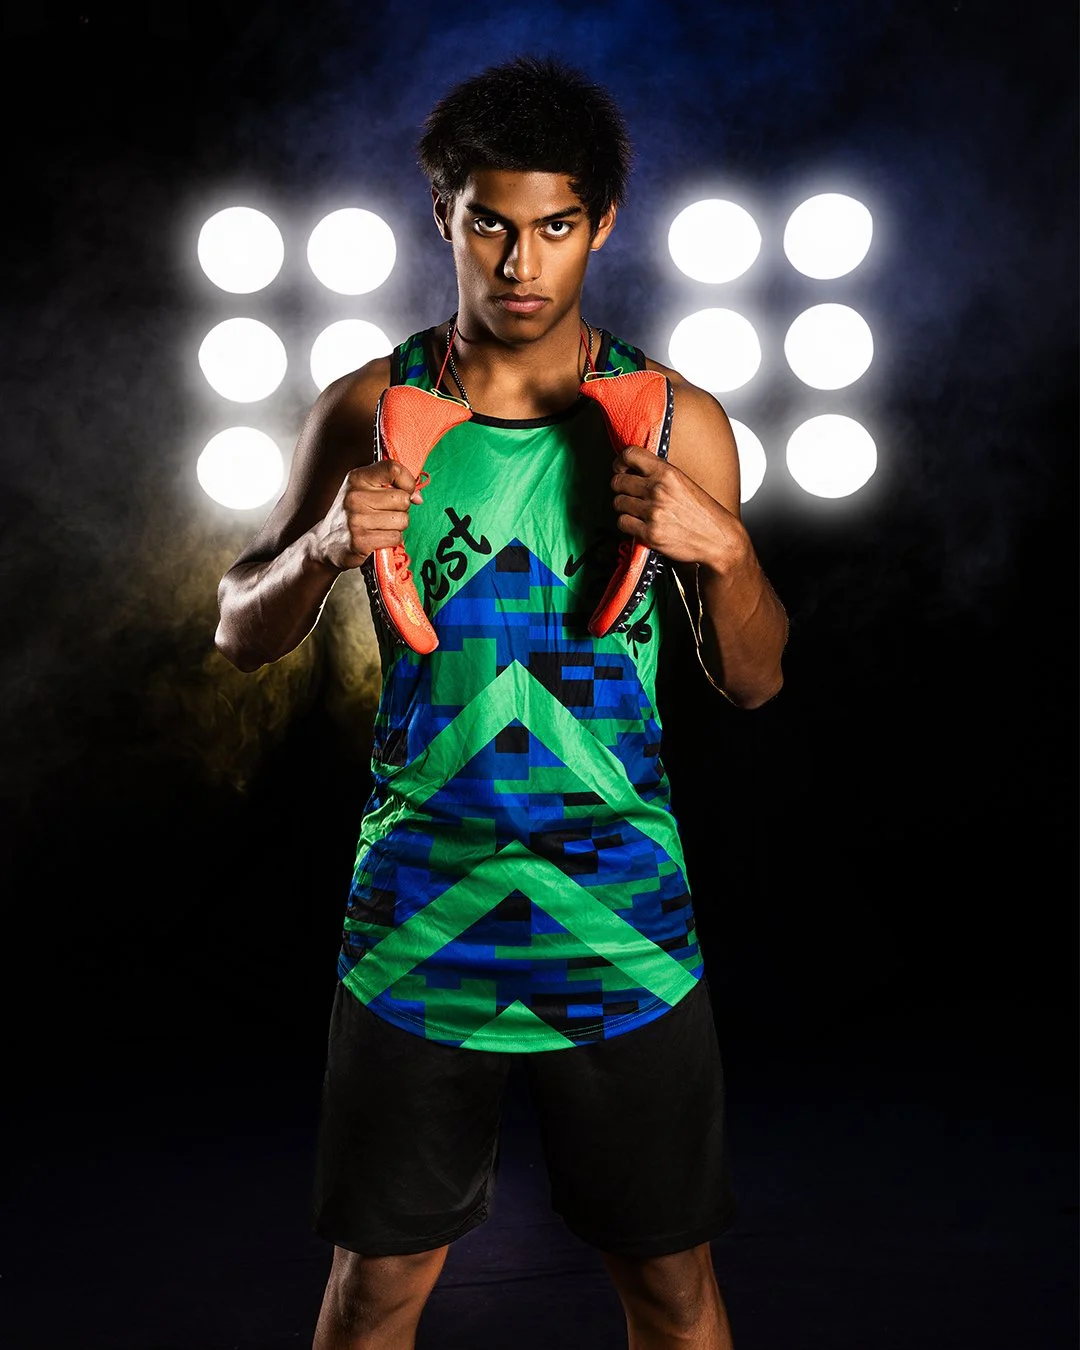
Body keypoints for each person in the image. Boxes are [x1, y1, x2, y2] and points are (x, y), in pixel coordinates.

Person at [215, 54, 787, 1350]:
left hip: (621, 918)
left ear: (603, 225)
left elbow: (756, 675)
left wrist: (728, 552)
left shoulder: (676, 424)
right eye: (489, 223)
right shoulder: (370, 406)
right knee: (378, 1290)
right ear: (441, 215)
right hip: (421, 915)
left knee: (674, 1290)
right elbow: (236, 630)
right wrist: (317, 551)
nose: (520, 264)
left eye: (554, 227)